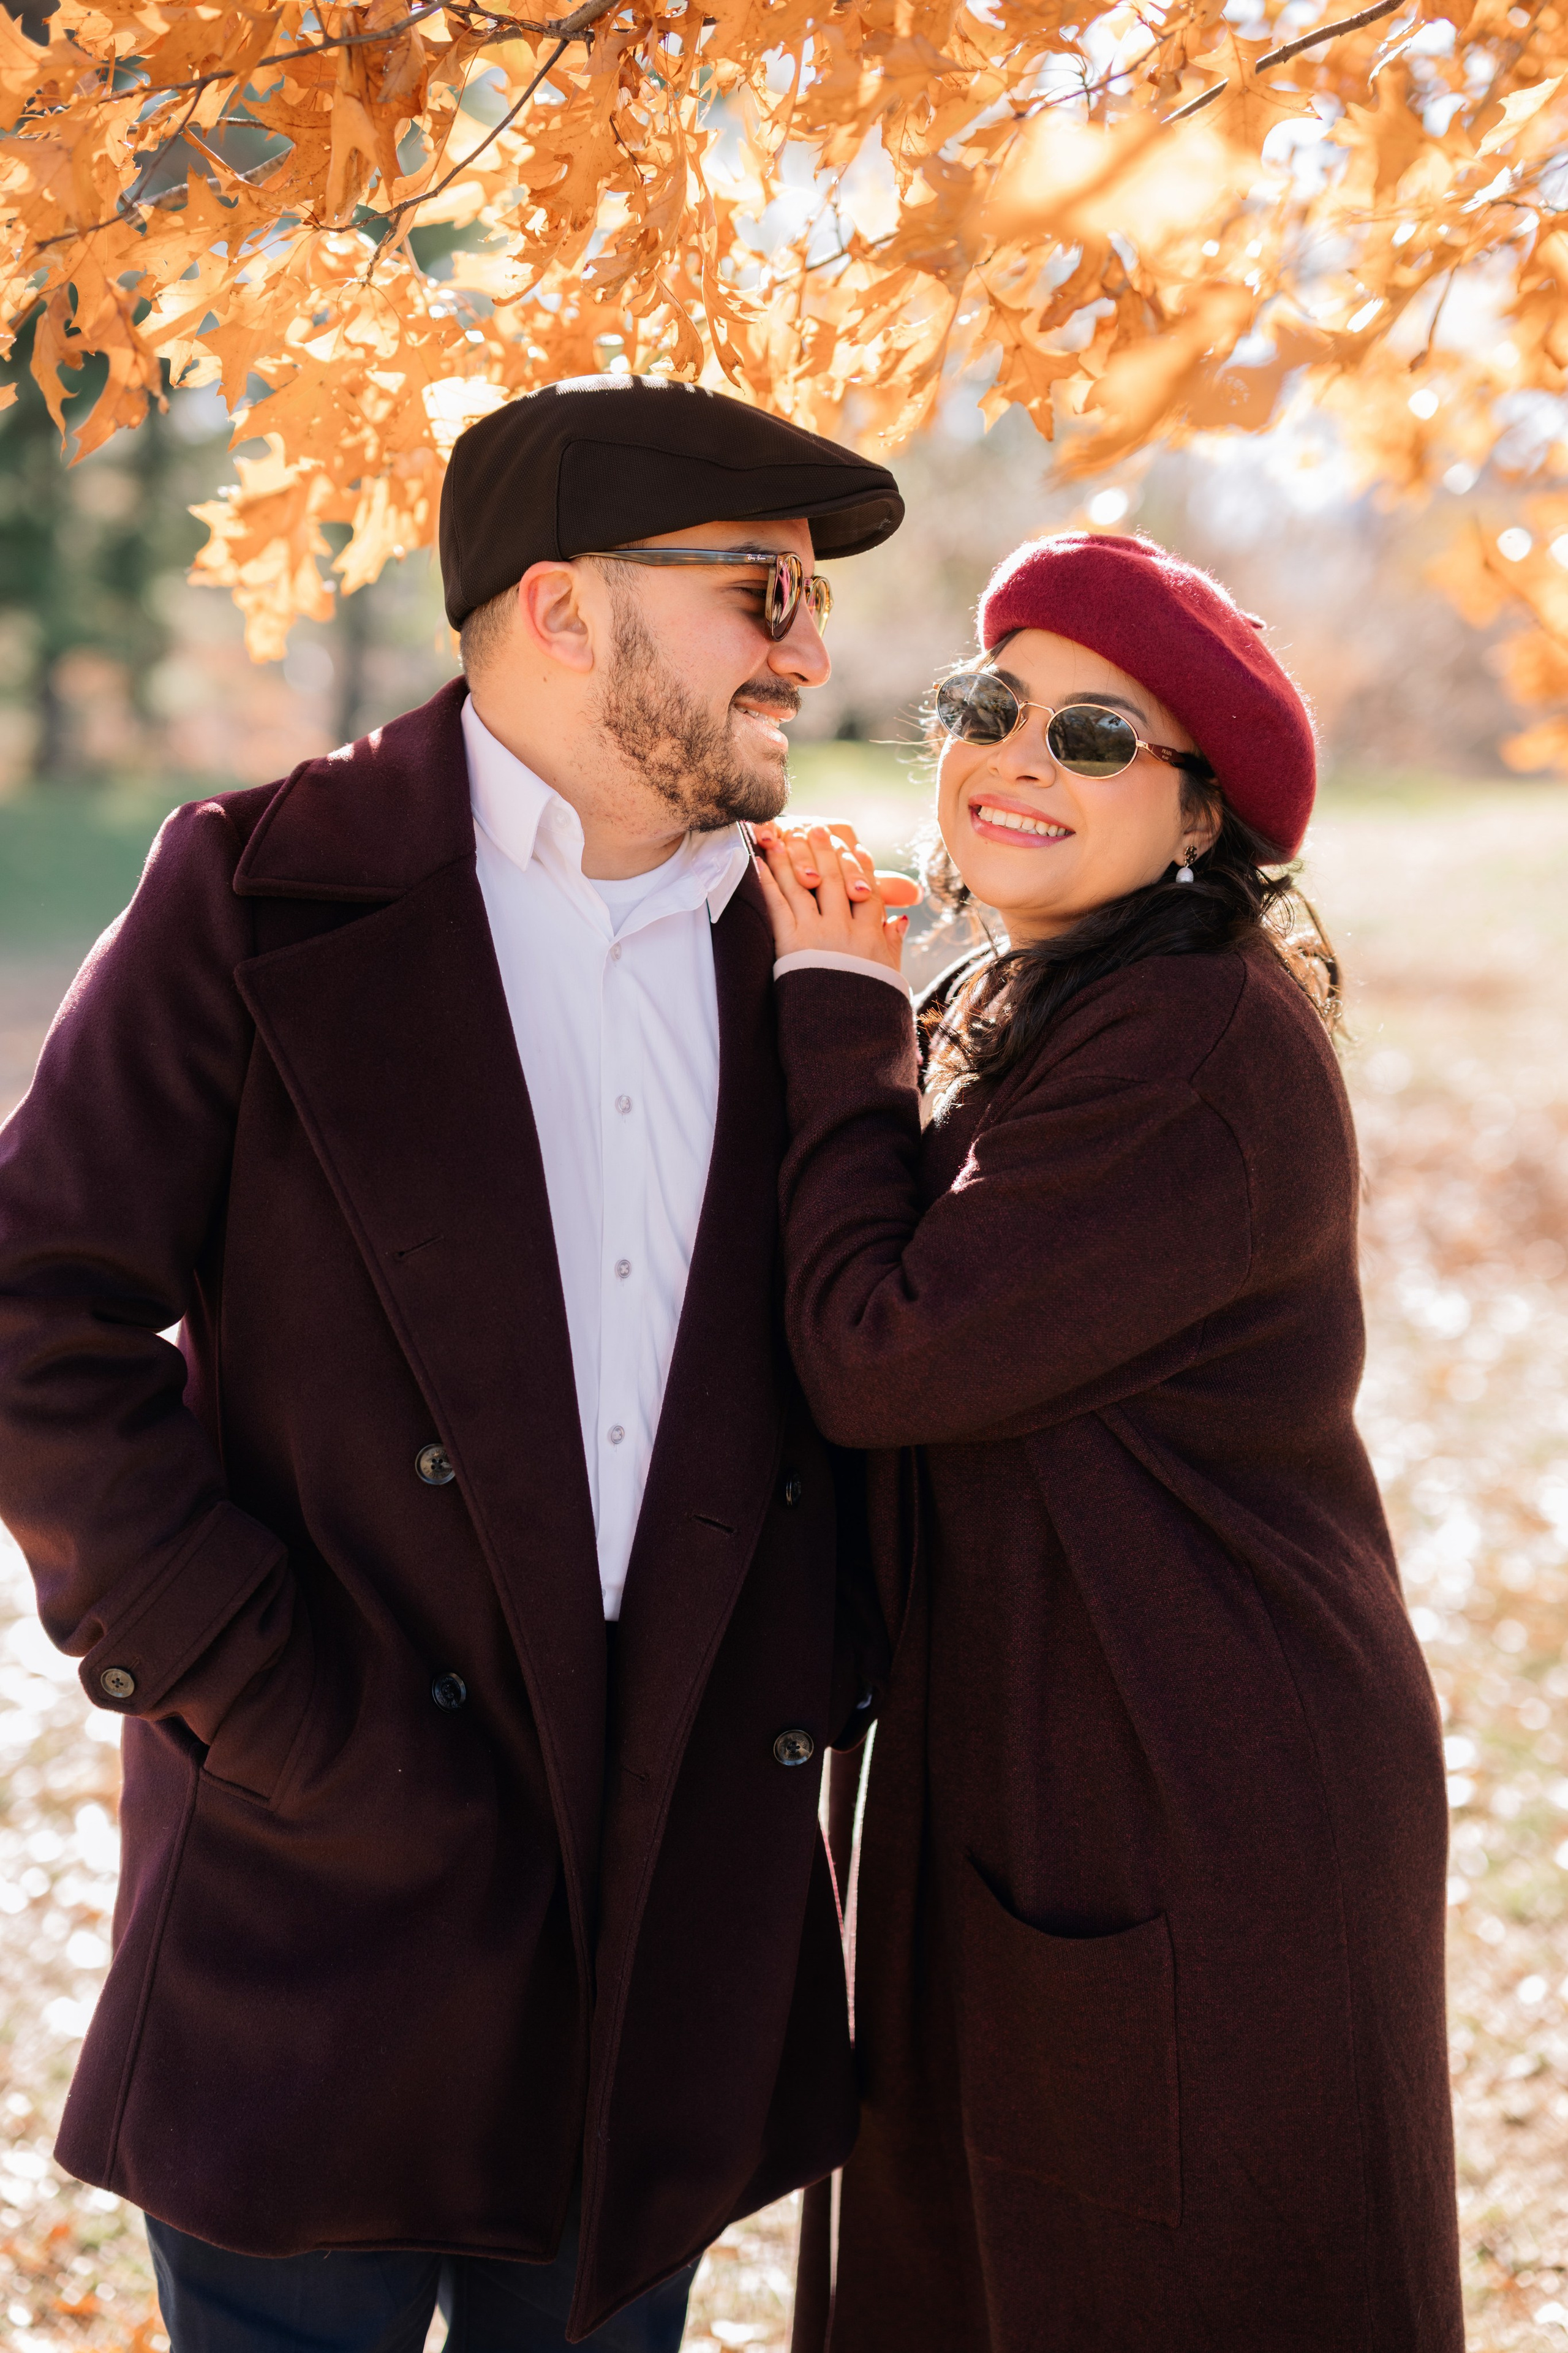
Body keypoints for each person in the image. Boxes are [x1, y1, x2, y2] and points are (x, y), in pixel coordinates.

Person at [0, 375, 908, 2353]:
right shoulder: (253, 892)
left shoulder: (807, 959)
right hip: (320, 1902)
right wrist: (265, 1697)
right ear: (565, 611)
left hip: (660, 1927)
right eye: (763, 590)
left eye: (811, 600)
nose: (813, 651)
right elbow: (31, 1307)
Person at [756, 532, 1464, 2352]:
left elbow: (887, 1352)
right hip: (1070, 1746)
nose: (1016, 757)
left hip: (1186, 1778)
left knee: (1156, 2277)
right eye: (992, 707)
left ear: (1204, 818)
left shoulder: (1194, 1040)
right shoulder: (1063, 1002)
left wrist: (834, 1016)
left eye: (1094, 736)